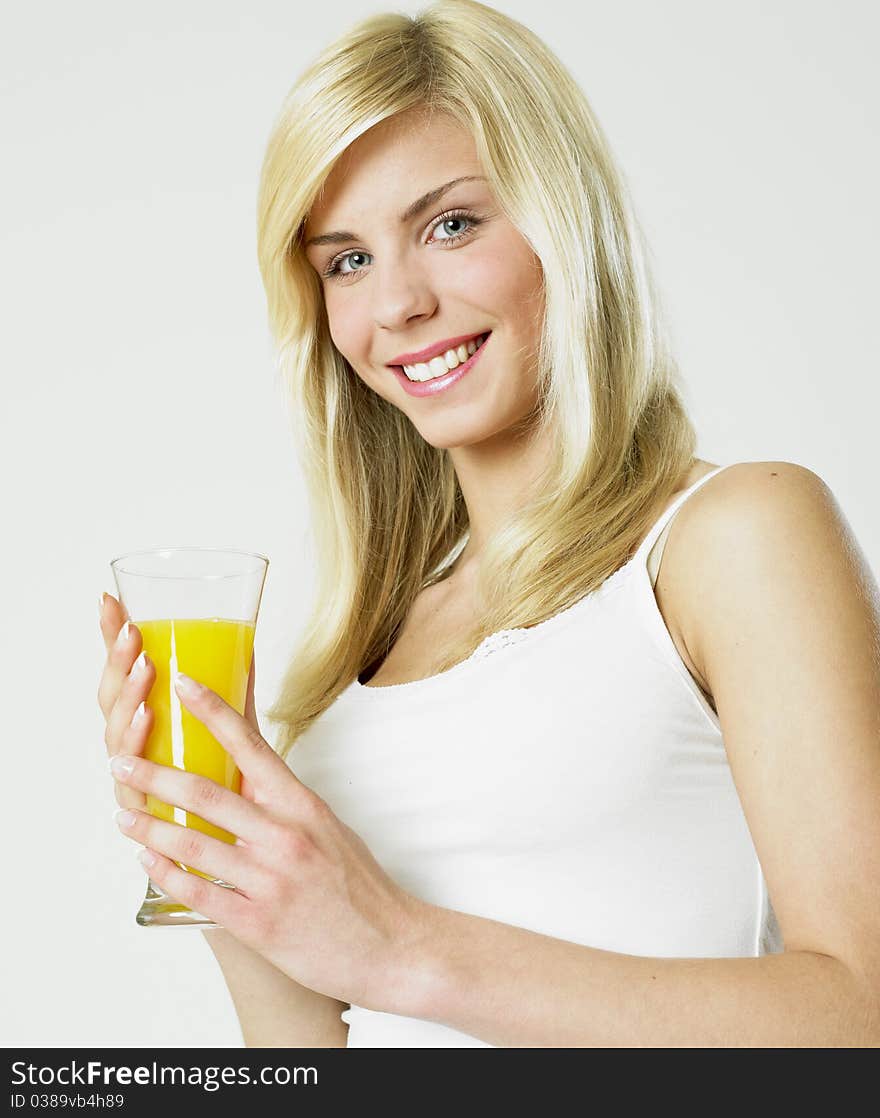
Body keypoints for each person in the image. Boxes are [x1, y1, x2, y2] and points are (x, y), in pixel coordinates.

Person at [97, 0, 880, 1047]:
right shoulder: (361, 652)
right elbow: (313, 1055)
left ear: (563, 220)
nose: (398, 304)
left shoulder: (730, 534)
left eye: (450, 224)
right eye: (346, 261)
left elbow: (861, 1007)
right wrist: (221, 872)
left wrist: (403, 947)